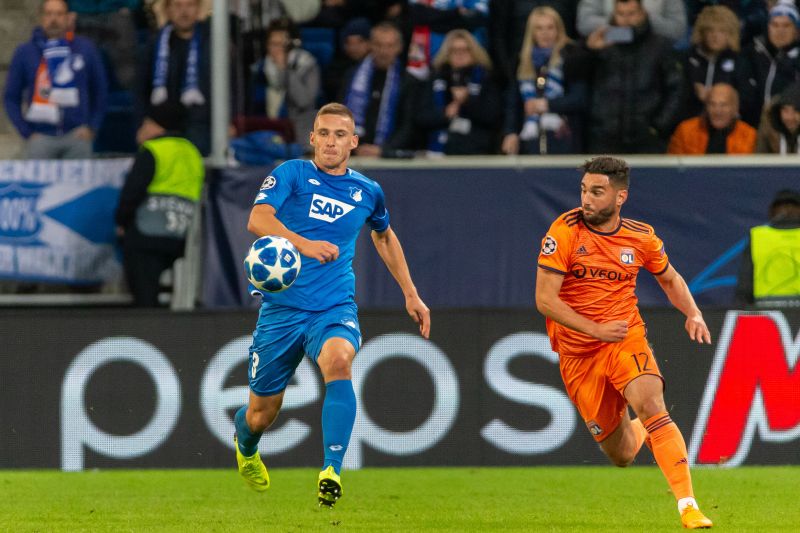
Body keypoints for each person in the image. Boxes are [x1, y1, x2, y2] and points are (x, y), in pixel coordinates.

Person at [233, 102, 430, 507]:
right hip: (282, 310)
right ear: (312, 138)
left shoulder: (367, 191)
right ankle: (246, 445)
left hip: (333, 306)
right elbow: (258, 219)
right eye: (323, 133)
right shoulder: (291, 173)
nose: (330, 142)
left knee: (339, 361)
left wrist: (410, 292)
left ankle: (331, 471)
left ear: (353, 142)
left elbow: (384, 237)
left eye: (340, 135)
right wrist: (303, 244)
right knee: (260, 414)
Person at [535, 156, 714, 530]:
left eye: (597, 191)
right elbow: (546, 300)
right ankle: (646, 428)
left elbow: (670, 278)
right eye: (584, 190)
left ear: (620, 197)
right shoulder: (563, 231)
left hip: (623, 336)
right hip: (578, 352)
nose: (586, 199)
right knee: (621, 454)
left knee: (650, 402)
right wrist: (594, 330)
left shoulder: (641, 236)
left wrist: (693, 313)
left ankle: (688, 506)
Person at [115, 103, 204, 307]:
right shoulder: (193, 153)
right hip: (180, 235)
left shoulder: (154, 149)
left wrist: (121, 221)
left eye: (145, 124)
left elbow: (133, 191)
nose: (141, 129)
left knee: (144, 292)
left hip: (147, 234)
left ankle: (149, 329)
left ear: (157, 126)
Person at [3, 0, 108, 159]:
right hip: (41, 137)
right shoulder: (25, 52)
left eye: (59, 14)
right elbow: (10, 96)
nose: (54, 19)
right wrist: (26, 132)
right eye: (49, 13)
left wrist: (92, 127)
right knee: (38, 183)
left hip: (77, 135)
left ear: (68, 18)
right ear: (41, 18)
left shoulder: (85, 49)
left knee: (78, 184)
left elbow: (100, 90)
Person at [584, 0, 684, 154]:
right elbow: (579, 80)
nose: (626, 20)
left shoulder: (660, 46)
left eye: (632, 14)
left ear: (643, 14)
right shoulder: (601, 44)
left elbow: (676, 89)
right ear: (613, 15)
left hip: (647, 138)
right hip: (606, 137)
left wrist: (658, 126)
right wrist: (589, 52)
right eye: (621, 14)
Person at [501, 6, 588, 155]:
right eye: (539, 28)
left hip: (563, 139)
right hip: (529, 141)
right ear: (532, 32)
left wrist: (546, 105)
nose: (545, 33)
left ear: (558, 30)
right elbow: (513, 103)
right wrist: (510, 132)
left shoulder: (572, 56)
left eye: (550, 27)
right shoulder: (522, 61)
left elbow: (579, 98)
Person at [138, 0, 211, 155]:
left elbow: (231, 88)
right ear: (168, 10)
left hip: (202, 125)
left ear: (198, 9)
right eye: (177, 5)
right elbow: (140, 88)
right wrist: (144, 121)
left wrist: (229, 123)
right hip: (161, 123)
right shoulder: (156, 43)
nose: (184, 12)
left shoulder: (213, 42)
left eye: (189, 5)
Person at [338, 22, 421, 158]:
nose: (384, 51)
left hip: (391, 157)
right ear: (370, 45)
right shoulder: (352, 76)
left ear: (399, 48)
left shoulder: (408, 81)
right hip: (352, 154)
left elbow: (408, 125)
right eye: (379, 45)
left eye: (389, 46)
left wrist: (383, 150)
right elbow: (340, 116)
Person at [415, 29, 501, 155]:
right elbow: (420, 116)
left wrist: (468, 101)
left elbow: (493, 116)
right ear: (447, 53)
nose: (460, 55)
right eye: (454, 51)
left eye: (465, 50)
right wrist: (445, 114)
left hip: (476, 150)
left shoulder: (486, 78)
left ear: (474, 52)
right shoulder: (435, 78)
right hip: (437, 149)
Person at [246, 18, 320, 151]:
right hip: (266, 134)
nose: (277, 49)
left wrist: (285, 70)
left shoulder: (307, 65)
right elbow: (252, 108)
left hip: (299, 135)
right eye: (273, 44)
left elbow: (304, 101)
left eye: (282, 45)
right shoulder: (259, 69)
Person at [683, 5, 752, 121]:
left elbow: (747, 100)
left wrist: (719, 99)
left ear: (731, 33)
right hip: (690, 125)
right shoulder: (687, 58)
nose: (715, 36)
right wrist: (693, 91)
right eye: (710, 30)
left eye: (721, 31)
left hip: (729, 127)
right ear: (702, 32)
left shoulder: (740, 61)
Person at [735, 188, 800, 306]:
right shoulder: (758, 235)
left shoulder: (758, 236)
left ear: (772, 212)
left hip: (767, 315)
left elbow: (745, 285)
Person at [742, 0, 800, 125]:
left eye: (786, 25)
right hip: (753, 127)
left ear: (796, 31)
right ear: (768, 27)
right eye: (775, 25)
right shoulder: (751, 53)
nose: (780, 31)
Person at [668, 82, 757, 154]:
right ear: (706, 107)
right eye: (712, 104)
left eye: (724, 105)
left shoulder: (750, 136)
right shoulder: (685, 131)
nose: (718, 111)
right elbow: (673, 170)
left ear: (735, 108)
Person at [577, 0, 687, 42]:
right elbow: (584, 23)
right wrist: (617, 21)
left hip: (654, 54)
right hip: (609, 51)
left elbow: (677, 30)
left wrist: (646, 19)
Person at [756, 81, 800, 152]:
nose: (789, 117)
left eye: (796, 111)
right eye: (785, 110)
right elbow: (759, 159)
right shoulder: (768, 127)